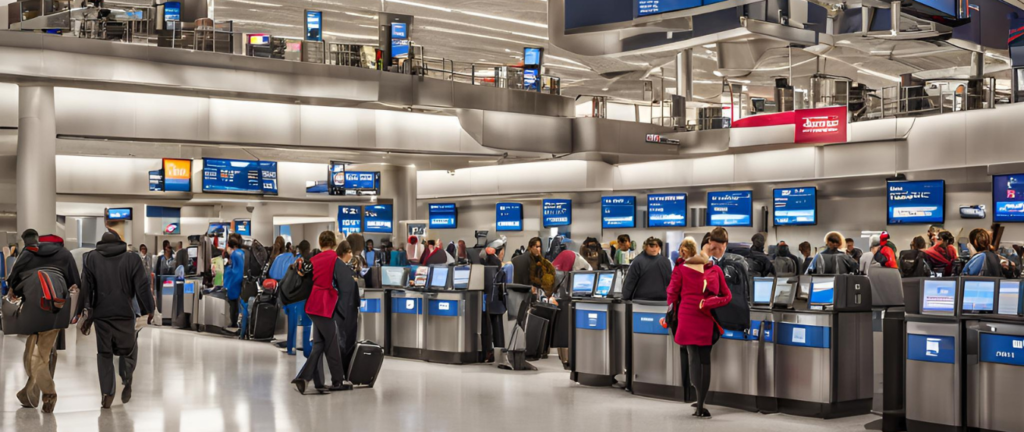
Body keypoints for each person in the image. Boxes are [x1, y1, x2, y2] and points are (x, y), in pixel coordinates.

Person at [7, 229, 81, 413]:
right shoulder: (64, 253)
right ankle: (31, 392)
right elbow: (75, 282)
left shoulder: (28, 252)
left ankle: (47, 393)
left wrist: (14, 291)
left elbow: (13, 279)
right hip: (56, 306)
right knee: (41, 353)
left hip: (32, 305)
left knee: (31, 355)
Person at [77, 232, 153, 409]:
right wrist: (149, 309)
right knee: (128, 349)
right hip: (125, 313)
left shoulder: (90, 258)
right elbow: (142, 286)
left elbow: (86, 288)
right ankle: (126, 378)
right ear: (120, 242)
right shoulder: (132, 259)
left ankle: (107, 392)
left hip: (102, 314)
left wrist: (81, 312)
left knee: (104, 353)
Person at [666, 236, 732, 419]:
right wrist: (710, 302)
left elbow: (671, 294)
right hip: (705, 318)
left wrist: (669, 312)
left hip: (686, 317)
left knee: (693, 358)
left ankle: (699, 403)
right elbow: (727, 297)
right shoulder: (714, 270)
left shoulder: (680, 269)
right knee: (705, 360)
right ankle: (701, 404)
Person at [292, 232, 351, 394]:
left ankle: (316, 382)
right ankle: (334, 381)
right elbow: (344, 285)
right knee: (332, 344)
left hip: (312, 305)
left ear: (319, 242)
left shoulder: (313, 260)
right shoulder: (335, 260)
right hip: (325, 306)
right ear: (334, 244)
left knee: (319, 344)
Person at [279, 241, 312, 356]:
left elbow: (284, 282)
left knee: (292, 326)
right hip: (304, 299)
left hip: (290, 300)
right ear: (309, 249)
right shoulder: (311, 264)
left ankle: (290, 348)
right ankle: (307, 349)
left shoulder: (293, 264)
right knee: (307, 324)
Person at [621, 237, 672, 301]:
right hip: (646, 301)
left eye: (657, 246)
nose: (655, 248)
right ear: (646, 247)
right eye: (651, 246)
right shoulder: (638, 261)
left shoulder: (665, 261)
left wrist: (625, 298)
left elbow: (630, 282)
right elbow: (631, 281)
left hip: (646, 301)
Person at [482, 243, 507, 363]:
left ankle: (487, 353)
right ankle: (499, 353)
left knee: (486, 329)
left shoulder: (483, 265)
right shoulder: (500, 269)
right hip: (496, 302)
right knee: (497, 328)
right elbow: (503, 289)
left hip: (484, 301)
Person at [223, 237, 245, 329]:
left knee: (232, 304)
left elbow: (234, 270)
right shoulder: (242, 253)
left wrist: (227, 269)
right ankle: (236, 322)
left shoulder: (234, 254)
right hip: (241, 281)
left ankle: (233, 323)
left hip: (234, 281)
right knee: (238, 303)